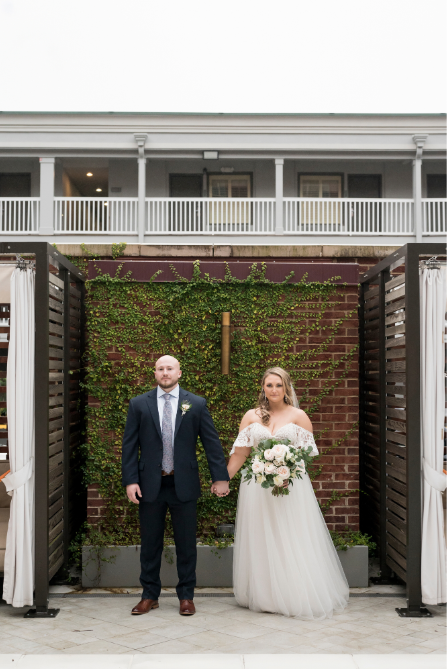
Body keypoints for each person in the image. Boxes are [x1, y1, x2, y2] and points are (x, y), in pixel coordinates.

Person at [216, 366, 349, 619]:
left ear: (286, 388)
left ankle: (293, 593)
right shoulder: (251, 416)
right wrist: (223, 480)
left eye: (278, 385)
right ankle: (265, 595)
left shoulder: (298, 416)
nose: (274, 390)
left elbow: (306, 457)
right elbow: (240, 454)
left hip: (290, 487)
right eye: (269, 385)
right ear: (263, 388)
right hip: (256, 487)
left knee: (290, 535)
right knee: (260, 537)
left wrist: (285, 472)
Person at [122, 355, 229, 617]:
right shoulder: (139, 404)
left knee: (186, 543)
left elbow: (211, 445)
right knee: (150, 544)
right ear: (155, 373)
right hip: (149, 485)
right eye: (161, 369)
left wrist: (220, 477)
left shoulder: (196, 403)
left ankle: (186, 596)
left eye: (170, 369)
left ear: (179, 372)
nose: (165, 373)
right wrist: (131, 480)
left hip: (184, 483)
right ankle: (149, 595)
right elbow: (129, 446)